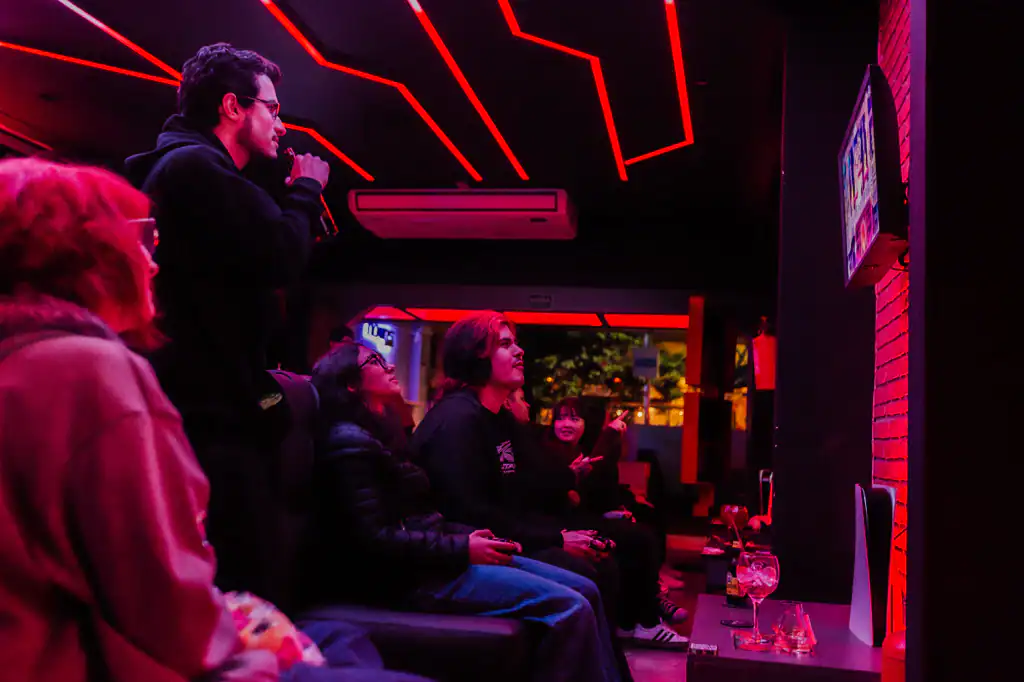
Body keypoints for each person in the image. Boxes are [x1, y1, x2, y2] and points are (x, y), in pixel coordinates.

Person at [0, 158, 429, 682]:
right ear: (85, 259)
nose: (152, 263)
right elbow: (167, 608)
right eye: (136, 241)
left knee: (340, 635)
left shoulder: (23, 359)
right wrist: (261, 647)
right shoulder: (90, 369)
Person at [124, 43, 331, 601]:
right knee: (240, 582)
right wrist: (307, 190)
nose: (281, 125)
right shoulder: (193, 168)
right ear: (233, 107)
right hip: (210, 415)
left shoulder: (187, 170)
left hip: (202, 404)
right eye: (273, 108)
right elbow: (280, 254)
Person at [307, 341, 622, 682]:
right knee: (572, 605)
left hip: (438, 555)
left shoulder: (382, 431)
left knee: (586, 587)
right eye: (375, 361)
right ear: (351, 383)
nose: (390, 366)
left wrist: (467, 536)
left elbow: (435, 513)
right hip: (415, 575)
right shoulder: (355, 441)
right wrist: (463, 547)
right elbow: (375, 537)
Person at [510, 392, 689, 644]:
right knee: (635, 539)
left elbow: (595, 487)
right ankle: (647, 617)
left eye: (574, 419)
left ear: (586, 424)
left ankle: (646, 607)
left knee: (640, 525)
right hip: (556, 522)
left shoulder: (575, 448)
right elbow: (569, 493)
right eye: (561, 418)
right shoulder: (546, 448)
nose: (566, 424)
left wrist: (616, 505)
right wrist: (607, 440)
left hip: (573, 516)